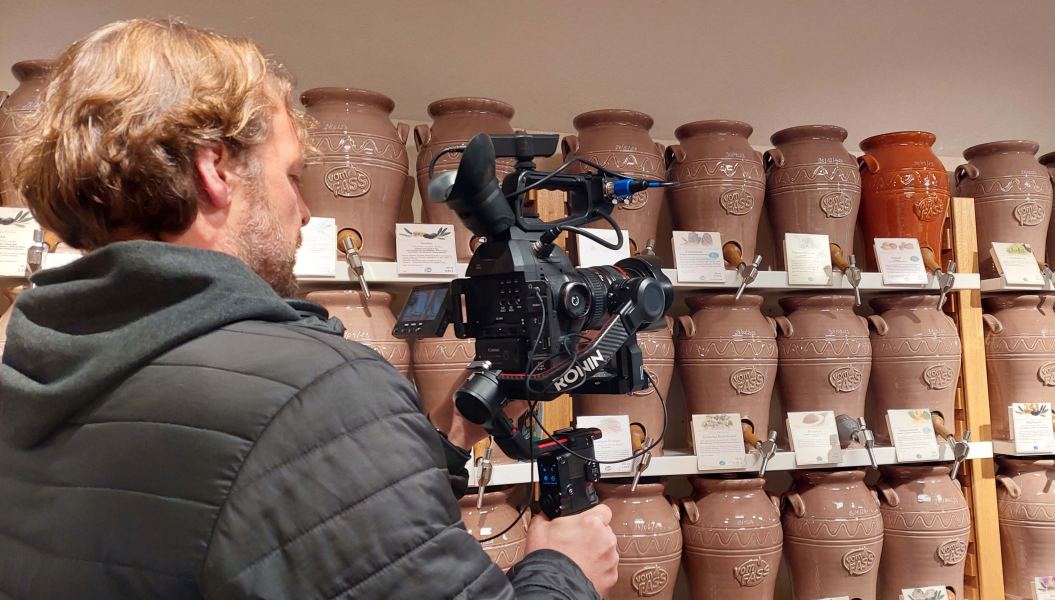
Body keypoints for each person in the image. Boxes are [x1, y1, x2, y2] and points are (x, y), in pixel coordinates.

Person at [0, 18, 617, 599]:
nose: (304, 211)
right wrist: (565, 568)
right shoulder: (318, 393)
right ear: (215, 170)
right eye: (293, 176)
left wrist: (449, 439)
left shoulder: (28, 364)